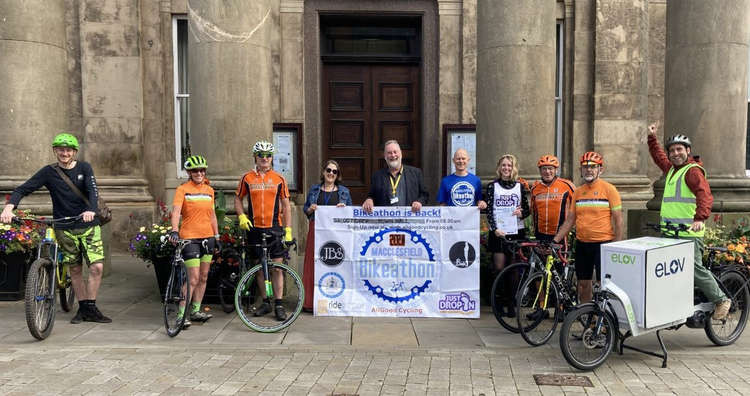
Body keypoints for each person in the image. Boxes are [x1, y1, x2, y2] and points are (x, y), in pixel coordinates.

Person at [0, 133, 111, 324]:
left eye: (68, 150)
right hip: (64, 226)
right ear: (55, 151)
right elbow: (22, 189)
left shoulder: (84, 168)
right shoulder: (48, 172)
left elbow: (93, 191)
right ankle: (83, 308)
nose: (64, 153)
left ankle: (92, 307)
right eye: (61, 150)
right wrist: (9, 208)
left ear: (74, 152)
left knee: (96, 267)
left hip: (88, 224)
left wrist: (91, 210)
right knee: (75, 269)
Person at [647, 123, 731, 320]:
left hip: (689, 233)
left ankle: (721, 299)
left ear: (688, 151)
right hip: (670, 232)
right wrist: (652, 138)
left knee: (693, 269)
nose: (675, 153)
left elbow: (705, 195)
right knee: (667, 270)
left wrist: (700, 218)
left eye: (679, 149)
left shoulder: (693, 171)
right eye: (672, 150)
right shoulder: (672, 169)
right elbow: (659, 157)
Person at [234, 140, 294, 321]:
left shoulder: (279, 179)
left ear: (272, 158)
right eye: (261, 155)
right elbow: (237, 199)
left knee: (277, 267)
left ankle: (279, 304)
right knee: (260, 268)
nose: (265, 158)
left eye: (268, 155)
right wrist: (241, 216)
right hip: (255, 228)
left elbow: (286, 205)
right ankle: (266, 302)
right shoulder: (247, 178)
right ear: (255, 157)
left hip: (275, 227)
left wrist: (288, 229)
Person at [553, 151, 623, 303]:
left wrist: (616, 245)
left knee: (602, 285)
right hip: (583, 244)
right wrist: (556, 240)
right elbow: (570, 220)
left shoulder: (609, 189)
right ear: (581, 170)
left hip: (603, 243)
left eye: (593, 167)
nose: (589, 170)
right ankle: (587, 318)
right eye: (585, 167)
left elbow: (618, 220)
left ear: (600, 170)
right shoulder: (578, 192)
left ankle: (602, 322)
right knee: (583, 284)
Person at [168, 155, 219, 328]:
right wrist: (174, 230)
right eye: (195, 170)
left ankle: (196, 310)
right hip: (190, 237)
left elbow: (212, 216)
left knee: (204, 276)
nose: (199, 173)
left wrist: (217, 236)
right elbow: (175, 212)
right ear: (190, 172)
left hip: (208, 237)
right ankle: (181, 315)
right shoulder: (182, 189)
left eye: (202, 170)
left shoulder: (209, 190)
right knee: (193, 278)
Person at [302, 160, 352, 312]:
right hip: (316, 229)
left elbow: (350, 212)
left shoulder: (344, 192)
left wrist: (344, 209)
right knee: (312, 263)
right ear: (323, 172)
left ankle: (336, 301)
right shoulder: (314, 189)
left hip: (337, 233)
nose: (331, 173)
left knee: (335, 263)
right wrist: (310, 208)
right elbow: (305, 210)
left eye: (334, 172)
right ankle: (310, 303)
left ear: (338, 175)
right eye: (328, 170)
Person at [486, 154, 530, 317]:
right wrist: (494, 228)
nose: (506, 168)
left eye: (509, 166)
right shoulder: (492, 186)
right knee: (498, 268)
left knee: (513, 270)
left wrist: (521, 213)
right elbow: (489, 210)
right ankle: (498, 302)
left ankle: (512, 302)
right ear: (499, 168)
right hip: (499, 233)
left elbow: (527, 210)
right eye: (503, 165)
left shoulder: (520, 187)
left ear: (514, 169)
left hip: (516, 232)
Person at [362, 140, 428, 213]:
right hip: (385, 221)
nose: (393, 155)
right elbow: (371, 195)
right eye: (389, 153)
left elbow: (424, 195)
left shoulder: (416, 173)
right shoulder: (377, 176)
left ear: (401, 153)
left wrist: (419, 202)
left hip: (409, 220)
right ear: (385, 156)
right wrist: (369, 200)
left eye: (395, 152)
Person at [530, 155, 575, 242]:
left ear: (556, 170)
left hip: (561, 235)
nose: (547, 172)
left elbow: (577, 207)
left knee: (559, 256)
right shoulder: (535, 189)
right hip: (540, 235)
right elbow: (533, 211)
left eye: (550, 168)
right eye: (544, 169)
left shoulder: (567, 185)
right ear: (540, 171)